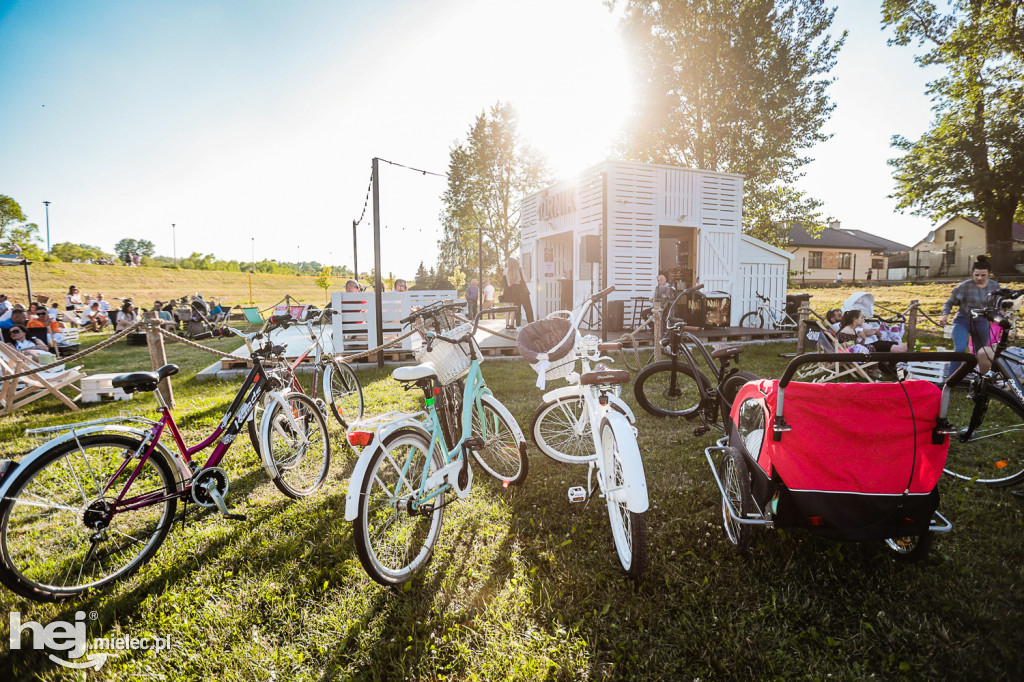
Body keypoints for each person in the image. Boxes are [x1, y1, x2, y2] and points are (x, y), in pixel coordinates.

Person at [940, 259, 1000, 371]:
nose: (979, 278)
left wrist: (995, 314)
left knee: (981, 351)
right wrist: (945, 315)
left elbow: (999, 303)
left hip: (982, 321)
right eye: (976, 275)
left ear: (989, 274)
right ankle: (952, 380)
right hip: (963, 320)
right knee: (960, 350)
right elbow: (949, 302)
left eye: (983, 275)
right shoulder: (965, 286)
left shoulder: (994, 286)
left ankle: (980, 379)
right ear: (972, 273)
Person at [503, 257, 533, 329]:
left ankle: (518, 327)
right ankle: (531, 325)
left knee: (517, 310)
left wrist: (514, 281)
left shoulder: (508, 272)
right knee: (528, 310)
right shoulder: (520, 269)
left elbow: (509, 284)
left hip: (515, 292)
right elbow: (525, 280)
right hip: (524, 292)